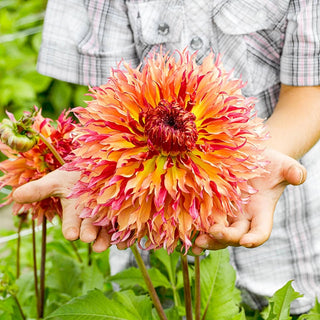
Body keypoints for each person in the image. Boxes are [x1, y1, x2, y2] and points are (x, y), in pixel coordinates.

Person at [12, 0, 320, 314]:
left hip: (288, 246)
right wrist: (94, 175)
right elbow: (111, 95)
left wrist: (260, 159)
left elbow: (311, 90)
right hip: (146, 250)